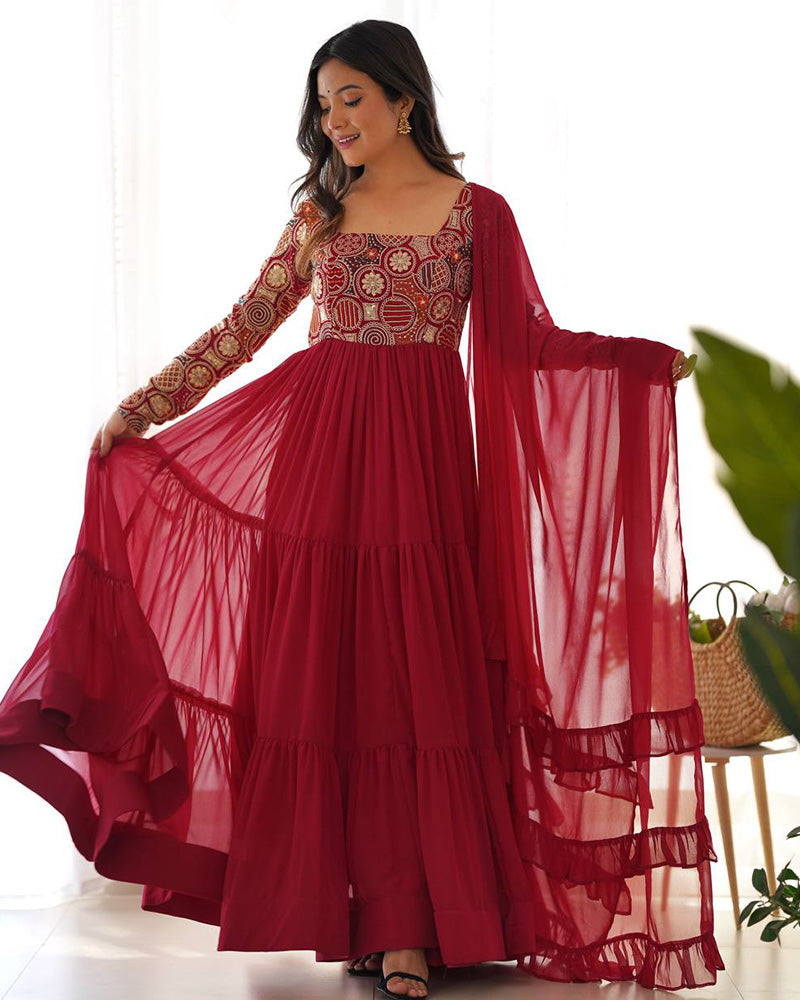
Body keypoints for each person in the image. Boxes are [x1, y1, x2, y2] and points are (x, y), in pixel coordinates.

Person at [0, 18, 714, 1000]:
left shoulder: (476, 214)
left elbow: (527, 340)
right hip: (320, 467)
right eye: (324, 104)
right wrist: (145, 406)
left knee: (415, 690)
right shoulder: (320, 214)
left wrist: (634, 362)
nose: (335, 120)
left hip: (422, 478)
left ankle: (411, 926)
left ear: (403, 101)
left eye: (352, 99)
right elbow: (244, 326)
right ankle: (357, 917)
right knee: (329, 689)